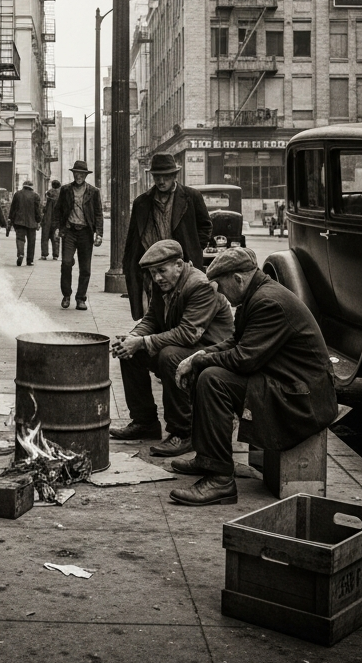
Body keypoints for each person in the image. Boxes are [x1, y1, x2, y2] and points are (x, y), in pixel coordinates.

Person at [168, 248, 338, 507]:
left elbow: (244, 359)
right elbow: (236, 342)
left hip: (303, 399)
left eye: (221, 285)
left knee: (213, 379)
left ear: (238, 279)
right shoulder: (254, 295)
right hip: (288, 384)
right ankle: (209, 458)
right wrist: (198, 356)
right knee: (206, 370)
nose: (220, 293)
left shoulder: (268, 301)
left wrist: (200, 359)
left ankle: (220, 481)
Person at [109, 240, 234, 456]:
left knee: (170, 357)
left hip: (212, 351)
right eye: (152, 272)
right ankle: (144, 422)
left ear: (178, 264)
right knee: (130, 353)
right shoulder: (163, 283)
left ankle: (183, 432)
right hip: (187, 346)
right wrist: (133, 338)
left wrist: (142, 342)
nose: (157, 277)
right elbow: (152, 320)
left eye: (161, 271)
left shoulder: (200, 285)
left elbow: (188, 333)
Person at [123, 152, 212, 320]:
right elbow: (133, 238)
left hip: (183, 265)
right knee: (155, 311)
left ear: (174, 176)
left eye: (165, 177)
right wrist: (131, 266)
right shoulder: (141, 203)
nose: (161, 181)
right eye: (157, 177)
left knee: (185, 310)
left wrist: (194, 249)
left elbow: (205, 226)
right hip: (153, 268)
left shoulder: (191, 197)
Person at [56, 159, 103, 311]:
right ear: (73, 174)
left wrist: (99, 234)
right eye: (77, 173)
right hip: (69, 231)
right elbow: (58, 210)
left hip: (85, 233)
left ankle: (80, 298)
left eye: (82, 174)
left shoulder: (93, 191)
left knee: (85, 268)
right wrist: (57, 228)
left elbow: (98, 214)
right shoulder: (65, 190)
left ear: (85, 175)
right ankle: (66, 295)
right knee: (66, 263)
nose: (79, 176)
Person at [8, 179, 43, 266]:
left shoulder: (17, 194)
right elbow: (37, 210)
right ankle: (30, 260)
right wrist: (39, 221)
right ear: (32, 187)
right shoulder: (36, 196)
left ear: (23, 186)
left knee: (20, 239)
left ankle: (20, 254)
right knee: (31, 241)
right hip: (32, 222)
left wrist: (11, 219)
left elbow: (13, 208)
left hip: (19, 221)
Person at [40, 179, 61, 260]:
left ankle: (44, 254)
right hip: (57, 219)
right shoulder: (61, 195)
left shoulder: (48, 194)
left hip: (47, 218)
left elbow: (44, 208)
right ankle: (55, 255)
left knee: (45, 237)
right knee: (55, 237)